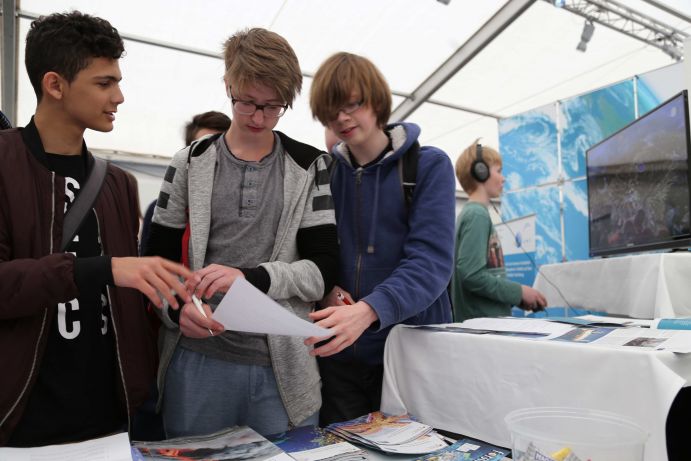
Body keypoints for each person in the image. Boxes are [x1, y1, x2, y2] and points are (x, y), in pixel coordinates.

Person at [0, 11, 196, 447]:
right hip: (21, 419)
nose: (120, 96)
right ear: (55, 85)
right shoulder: (4, 164)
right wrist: (100, 269)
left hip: (111, 418)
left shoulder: (118, 183)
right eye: (104, 83)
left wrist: (178, 310)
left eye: (118, 82)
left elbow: (129, 295)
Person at [144, 27, 339, 437]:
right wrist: (178, 312)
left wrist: (252, 278)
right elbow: (153, 266)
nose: (258, 117)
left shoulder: (310, 167)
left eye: (273, 106)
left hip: (282, 370)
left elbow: (323, 271)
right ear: (228, 83)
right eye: (247, 102)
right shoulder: (189, 163)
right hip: (196, 363)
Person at [306, 52, 456, 425]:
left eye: (352, 104)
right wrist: (327, 288)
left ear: (376, 100)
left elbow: (431, 262)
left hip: (411, 356)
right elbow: (314, 251)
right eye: (330, 109)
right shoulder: (325, 174)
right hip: (339, 361)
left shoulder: (428, 166)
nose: (341, 117)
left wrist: (369, 309)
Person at [451, 141, 546, 322]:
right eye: (499, 171)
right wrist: (519, 292)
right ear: (481, 172)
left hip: (483, 323)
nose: (503, 178)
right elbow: (472, 276)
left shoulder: (473, 214)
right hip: (482, 327)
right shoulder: (476, 215)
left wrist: (514, 298)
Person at [139, 111, 231, 256]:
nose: (213, 159)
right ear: (187, 155)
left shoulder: (244, 215)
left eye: (223, 151)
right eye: (204, 149)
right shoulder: (159, 211)